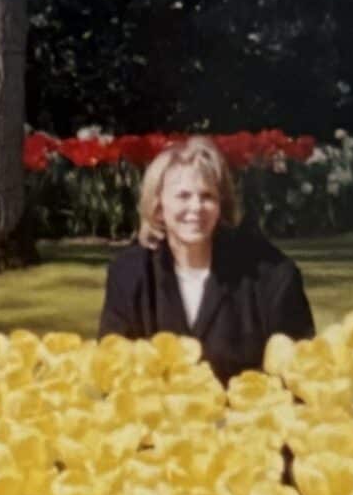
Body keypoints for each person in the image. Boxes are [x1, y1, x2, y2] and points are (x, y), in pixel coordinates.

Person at [98, 135, 315, 383]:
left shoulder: (273, 275)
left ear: (221, 204)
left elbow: (302, 373)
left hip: (251, 416)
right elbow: (111, 369)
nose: (196, 207)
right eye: (183, 196)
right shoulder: (129, 275)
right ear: (159, 206)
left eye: (207, 196)